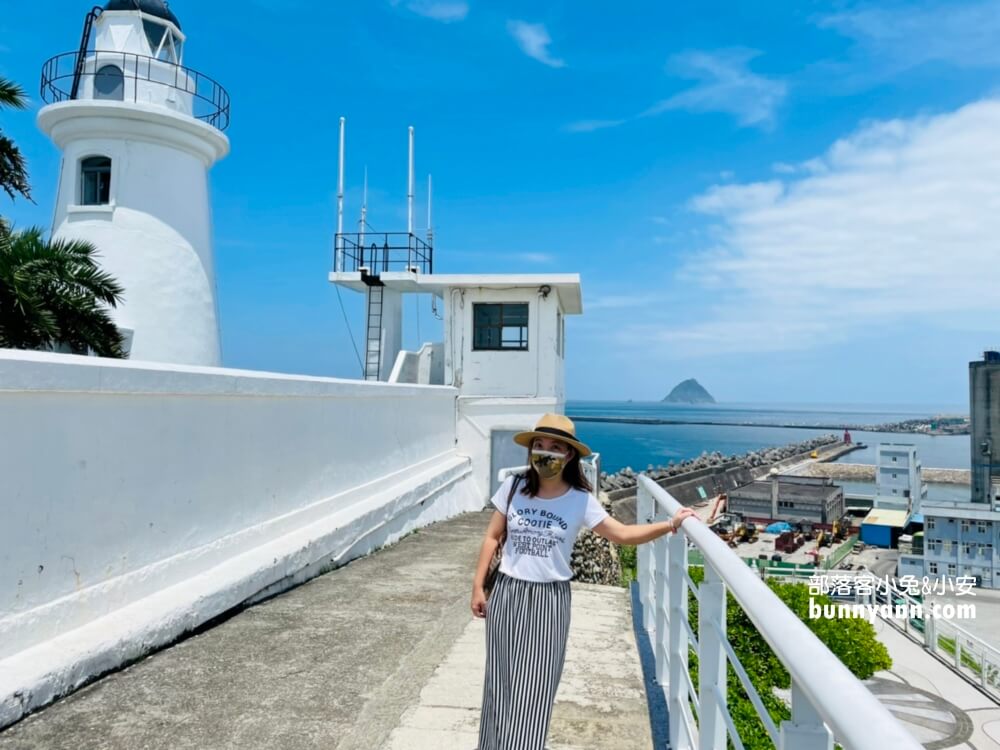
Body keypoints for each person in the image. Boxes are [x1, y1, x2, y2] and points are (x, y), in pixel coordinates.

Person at [471, 413, 696, 750]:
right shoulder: (514, 487)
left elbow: (621, 533)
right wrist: (478, 587)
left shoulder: (579, 500)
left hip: (549, 600)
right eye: (539, 445)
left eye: (555, 447)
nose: (545, 453)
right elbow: (492, 537)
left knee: (536, 685)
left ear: (570, 455)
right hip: (507, 591)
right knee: (500, 681)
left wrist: (670, 525)